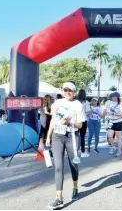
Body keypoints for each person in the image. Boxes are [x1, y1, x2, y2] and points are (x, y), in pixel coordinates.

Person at [45, 81, 84, 209]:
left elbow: (80, 125)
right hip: (57, 136)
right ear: (63, 91)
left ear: (74, 92)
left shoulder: (78, 105)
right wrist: (48, 137)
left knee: (73, 164)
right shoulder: (57, 103)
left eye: (70, 90)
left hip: (71, 136)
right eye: (65, 90)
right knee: (58, 167)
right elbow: (53, 119)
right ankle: (59, 198)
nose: (68, 92)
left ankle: (75, 187)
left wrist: (69, 123)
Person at [107, 92, 122, 157]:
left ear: (117, 97)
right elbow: (107, 111)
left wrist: (113, 114)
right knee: (109, 136)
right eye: (112, 96)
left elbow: (121, 114)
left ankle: (119, 151)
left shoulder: (120, 104)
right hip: (111, 121)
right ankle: (113, 147)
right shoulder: (109, 103)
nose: (113, 97)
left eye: (114, 96)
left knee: (118, 138)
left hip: (119, 122)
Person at [77, 89, 91, 158]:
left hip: (76, 121)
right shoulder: (86, 102)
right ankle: (82, 152)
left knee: (75, 136)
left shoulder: (75, 102)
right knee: (82, 136)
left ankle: (74, 151)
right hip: (83, 120)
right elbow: (88, 112)